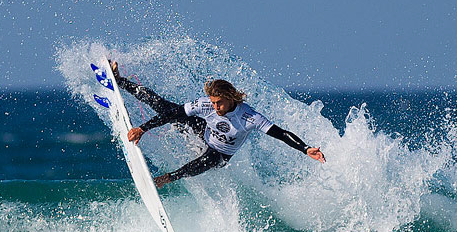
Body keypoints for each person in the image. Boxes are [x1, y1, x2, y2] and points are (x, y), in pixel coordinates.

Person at [109, 61, 325, 188]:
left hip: (221, 154)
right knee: (163, 107)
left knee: (207, 160)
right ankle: (120, 80)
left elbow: (281, 133)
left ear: (231, 98)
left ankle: (166, 179)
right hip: (205, 132)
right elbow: (174, 113)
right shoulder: (206, 106)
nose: (215, 107)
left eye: (219, 103)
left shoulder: (248, 117)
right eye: (213, 103)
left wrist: (305, 148)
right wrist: (143, 128)